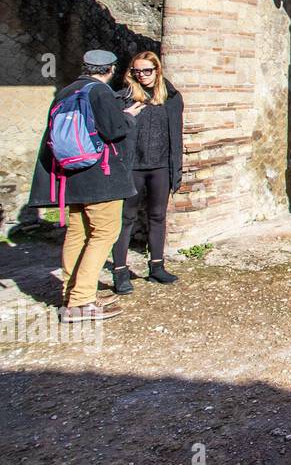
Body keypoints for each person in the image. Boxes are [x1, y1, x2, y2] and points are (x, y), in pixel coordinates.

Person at [29, 50, 144, 323]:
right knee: (105, 233)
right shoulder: (100, 92)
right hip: (100, 177)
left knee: (78, 233)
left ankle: (73, 291)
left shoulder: (66, 92)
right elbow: (115, 130)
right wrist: (128, 115)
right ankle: (81, 302)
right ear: (111, 69)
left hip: (71, 177)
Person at [110, 51, 184, 292]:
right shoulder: (123, 99)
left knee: (158, 216)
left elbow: (176, 133)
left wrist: (177, 167)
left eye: (147, 70)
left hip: (161, 166)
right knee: (126, 219)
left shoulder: (171, 98)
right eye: (137, 71)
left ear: (157, 70)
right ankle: (120, 272)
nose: (142, 75)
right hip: (132, 167)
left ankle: (157, 267)